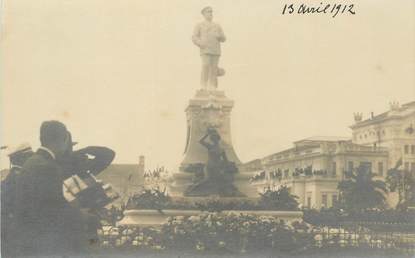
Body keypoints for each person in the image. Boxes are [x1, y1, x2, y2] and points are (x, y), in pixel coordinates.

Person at [14, 120, 86, 256]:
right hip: (44, 243)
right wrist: (81, 214)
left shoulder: (33, 161)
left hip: (30, 239)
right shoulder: (48, 167)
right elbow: (53, 209)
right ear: (63, 140)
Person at [1, 143, 34, 257]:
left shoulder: (12, 178)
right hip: (19, 235)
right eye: (29, 157)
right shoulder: (20, 179)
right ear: (20, 159)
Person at [192, 6, 226, 90]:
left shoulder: (217, 25)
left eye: (211, 12)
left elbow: (224, 38)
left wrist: (220, 36)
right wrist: (200, 43)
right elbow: (194, 37)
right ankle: (203, 85)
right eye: (208, 12)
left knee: (214, 68)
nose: (210, 14)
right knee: (205, 66)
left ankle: (213, 86)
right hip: (205, 49)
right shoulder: (199, 25)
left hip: (215, 50)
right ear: (204, 14)